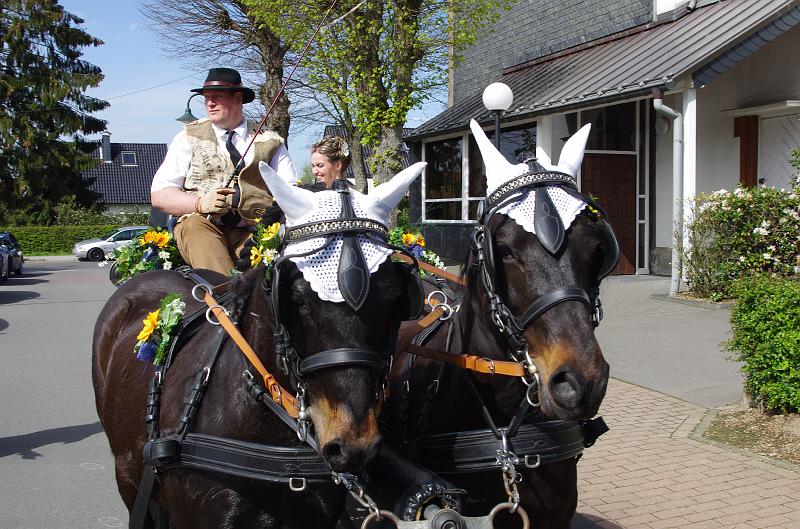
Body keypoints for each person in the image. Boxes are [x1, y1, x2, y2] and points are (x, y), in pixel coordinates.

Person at [151, 67, 297, 275]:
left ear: (238, 98)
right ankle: (226, 302)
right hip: (201, 228)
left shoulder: (270, 141)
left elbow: (291, 193)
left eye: (217, 97)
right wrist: (200, 203)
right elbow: (160, 194)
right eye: (206, 97)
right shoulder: (187, 137)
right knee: (194, 227)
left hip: (252, 232)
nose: (209, 103)